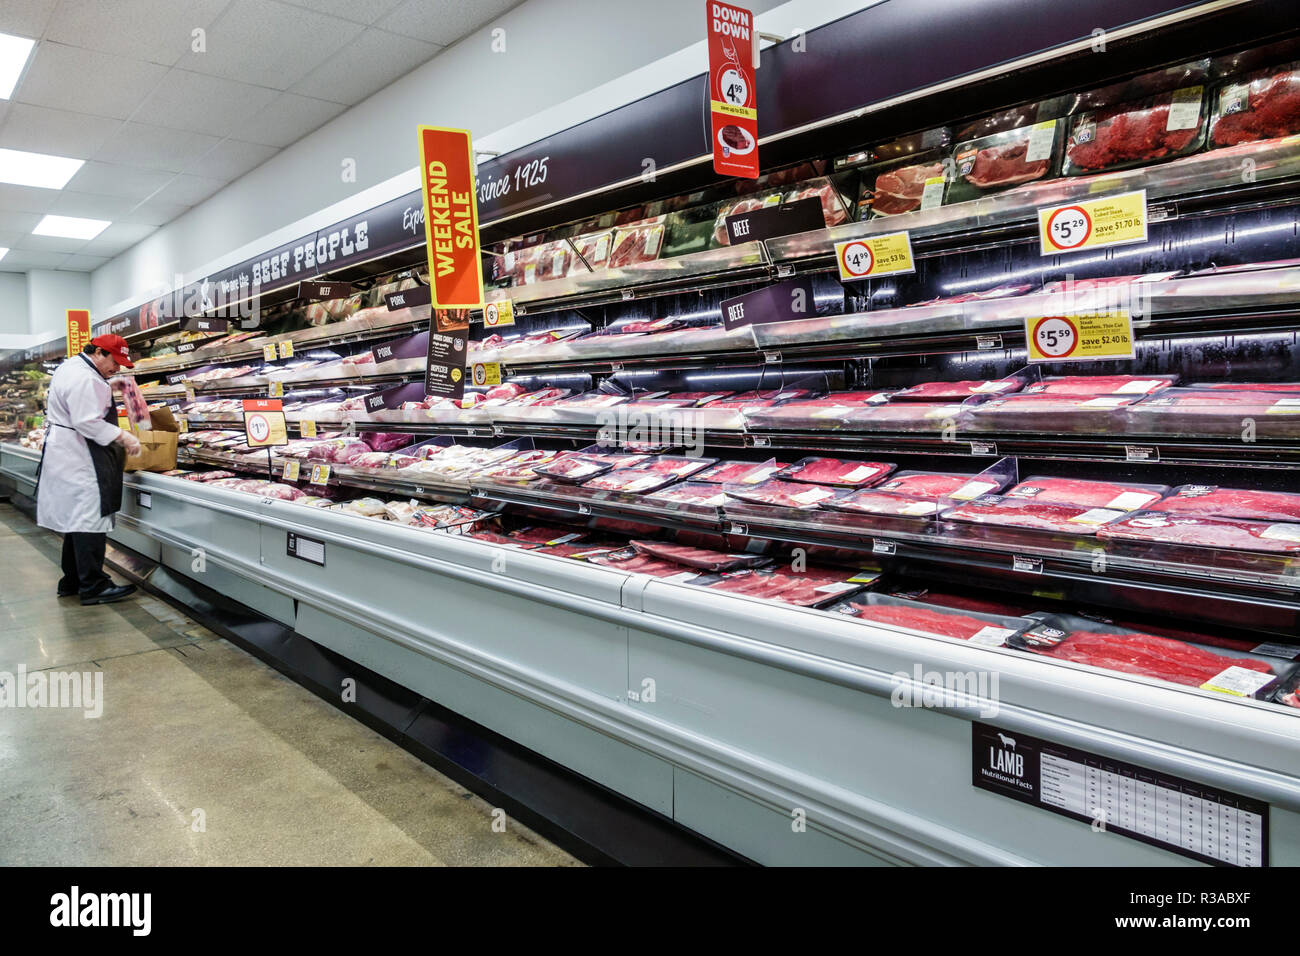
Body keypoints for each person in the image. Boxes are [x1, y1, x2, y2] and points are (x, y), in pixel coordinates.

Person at [35, 334, 143, 605]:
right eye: (114, 362)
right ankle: (94, 586)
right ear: (97, 352)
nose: (116, 368)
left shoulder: (73, 367)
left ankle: (71, 581)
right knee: (90, 519)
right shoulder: (87, 378)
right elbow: (87, 422)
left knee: (76, 519)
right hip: (79, 454)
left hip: (67, 451)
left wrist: (109, 383)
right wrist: (125, 437)